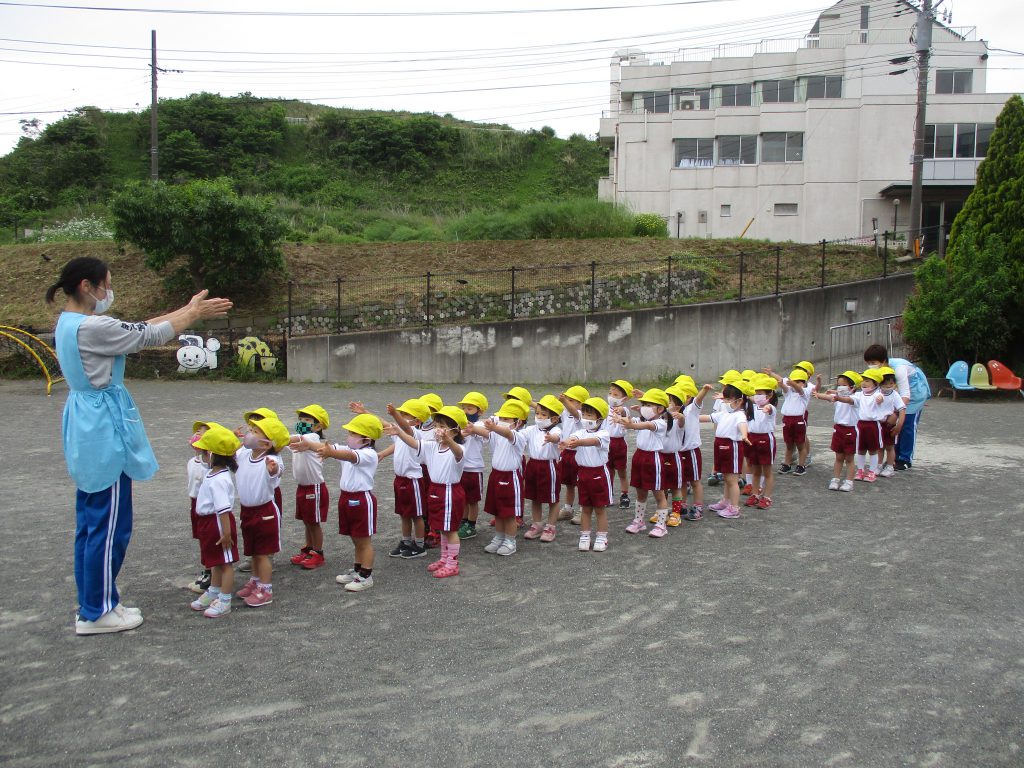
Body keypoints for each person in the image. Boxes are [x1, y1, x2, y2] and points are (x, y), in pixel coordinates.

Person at [48, 256, 231, 635]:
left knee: (91, 522)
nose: (108, 292)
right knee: (109, 524)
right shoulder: (92, 326)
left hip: (86, 423)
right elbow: (144, 335)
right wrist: (192, 316)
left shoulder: (70, 323)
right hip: (102, 429)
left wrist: (189, 309)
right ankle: (97, 611)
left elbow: (134, 328)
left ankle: (94, 603)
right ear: (87, 286)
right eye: (106, 284)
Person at [386, 406, 468, 579]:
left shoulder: (459, 448)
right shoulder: (432, 447)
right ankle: (444, 558)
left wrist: (450, 441)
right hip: (435, 490)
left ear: (456, 430)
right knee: (442, 529)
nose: (439, 430)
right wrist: (399, 433)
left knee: (450, 529)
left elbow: (458, 453)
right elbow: (415, 443)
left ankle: (452, 563)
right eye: (437, 425)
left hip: (449, 492)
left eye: (444, 426)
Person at [318, 413, 383, 593]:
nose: (349, 437)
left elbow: (348, 455)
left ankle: (366, 576)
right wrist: (306, 444)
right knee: (355, 538)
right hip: (346, 498)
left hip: (362, 500)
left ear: (366, 439)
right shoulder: (348, 450)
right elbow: (330, 447)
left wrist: (331, 452)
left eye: (353, 434)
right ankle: (357, 569)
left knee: (364, 541)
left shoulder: (368, 454)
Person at [234, 416, 289, 607]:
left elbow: (277, 469)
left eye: (255, 432)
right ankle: (255, 581)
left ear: (267, 443)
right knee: (253, 550)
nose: (250, 434)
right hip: (247, 510)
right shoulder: (243, 453)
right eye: (251, 430)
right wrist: (232, 441)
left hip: (265, 511)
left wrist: (272, 469)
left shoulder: (272, 459)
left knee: (263, 552)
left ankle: (265, 589)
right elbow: (229, 455)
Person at [188, 423, 241, 619]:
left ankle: (225, 599)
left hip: (218, 524)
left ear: (214, 454)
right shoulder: (212, 473)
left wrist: (226, 534)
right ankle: (214, 591)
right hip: (208, 523)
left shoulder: (220, 478)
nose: (202, 454)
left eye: (205, 451)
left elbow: (223, 510)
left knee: (225, 563)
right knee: (215, 561)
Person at [863, 344, 930, 470]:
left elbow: (905, 394)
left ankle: (905, 459)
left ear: (883, 361)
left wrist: (896, 413)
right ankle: (893, 458)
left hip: (914, 394)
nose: (871, 365)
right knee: (890, 427)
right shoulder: (877, 371)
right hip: (894, 394)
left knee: (907, 424)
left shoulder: (898, 369)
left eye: (873, 362)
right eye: (868, 363)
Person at [616, 388, 673, 537]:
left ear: (660, 409)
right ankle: (639, 521)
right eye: (644, 404)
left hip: (653, 459)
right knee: (640, 493)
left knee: (659, 494)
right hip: (639, 457)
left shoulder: (661, 423)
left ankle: (661, 525)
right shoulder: (642, 420)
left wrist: (630, 425)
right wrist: (621, 414)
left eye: (649, 405)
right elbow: (632, 420)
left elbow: (646, 426)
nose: (644, 408)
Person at [475, 400, 529, 557]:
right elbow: (487, 433)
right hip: (495, 475)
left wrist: (494, 427)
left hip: (510, 477)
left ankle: (510, 541)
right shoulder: (496, 434)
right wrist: (473, 429)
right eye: (502, 418)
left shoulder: (518, 437)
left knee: (509, 512)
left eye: (507, 419)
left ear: (518, 422)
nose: (503, 421)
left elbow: (507, 433)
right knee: (497, 511)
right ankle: (499, 537)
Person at [563, 397, 613, 552]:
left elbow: (593, 441)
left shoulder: (604, 433)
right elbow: (573, 437)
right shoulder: (580, 432)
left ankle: (602, 536)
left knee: (599, 508)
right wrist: (566, 442)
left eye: (589, 415)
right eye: (584, 414)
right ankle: (584, 535)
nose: (585, 418)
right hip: (583, 473)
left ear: (600, 418)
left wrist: (578, 443)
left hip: (598, 474)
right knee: (585, 507)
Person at [287, 405, 331, 570]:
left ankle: (318, 553)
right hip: (303, 487)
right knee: (307, 522)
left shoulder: (312, 437)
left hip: (315, 488)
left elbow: (290, 439)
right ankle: (309, 549)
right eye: (301, 419)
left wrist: (275, 434)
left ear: (318, 426)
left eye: (307, 420)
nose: (302, 422)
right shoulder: (300, 439)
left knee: (313, 523)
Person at [702, 381, 754, 519]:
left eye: (729, 399)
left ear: (739, 401)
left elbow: (743, 425)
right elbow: (709, 417)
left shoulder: (740, 414)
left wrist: (744, 435)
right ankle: (726, 501)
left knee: (732, 479)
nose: (725, 402)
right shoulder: (724, 412)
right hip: (720, 445)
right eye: (725, 399)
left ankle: (734, 507)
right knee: (726, 477)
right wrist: (690, 417)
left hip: (732, 447)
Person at [521, 395, 564, 543]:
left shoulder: (557, 430)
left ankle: (551, 526)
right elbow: (518, 435)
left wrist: (551, 438)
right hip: (532, 465)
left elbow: (557, 437)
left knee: (553, 498)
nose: (539, 417)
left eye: (543, 414)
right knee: (534, 497)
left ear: (554, 419)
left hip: (549, 466)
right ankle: (537, 524)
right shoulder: (531, 429)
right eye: (537, 413)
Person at [833, 369, 886, 483]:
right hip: (859, 425)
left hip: (872, 425)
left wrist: (880, 398)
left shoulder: (878, 394)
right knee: (860, 449)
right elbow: (847, 395)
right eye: (863, 380)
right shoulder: (858, 394)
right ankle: (860, 470)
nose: (864, 383)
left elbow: (881, 398)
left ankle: (872, 471)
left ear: (875, 383)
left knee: (873, 450)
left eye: (867, 381)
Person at [813, 370, 861, 492]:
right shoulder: (836, 398)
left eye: (843, 385)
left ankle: (849, 481)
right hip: (838, 429)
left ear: (852, 387)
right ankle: (835, 479)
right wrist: (818, 394)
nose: (840, 387)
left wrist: (838, 397)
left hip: (850, 430)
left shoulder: (856, 398)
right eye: (838, 385)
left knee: (849, 458)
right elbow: (829, 397)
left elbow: (847, 400)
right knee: (839, 457)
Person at [765, 367, 811, 476]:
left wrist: (792, 383)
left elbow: (799, 389)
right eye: (794, 381)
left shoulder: (804, 392)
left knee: (800, 445)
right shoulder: (789, 392)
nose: (795, 384)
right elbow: (784, 384)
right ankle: (787, 463)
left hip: (798, 420)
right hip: (787, 420)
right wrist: (774, 376)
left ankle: (801, 465)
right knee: (789, 444)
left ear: (804, 383)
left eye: (798, 382)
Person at [456, 391, 489, 540]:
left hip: (474, 468)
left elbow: (481, 433)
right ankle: (463, 521)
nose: (465, 411)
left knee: (473, 499)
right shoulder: (460, 424)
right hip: (461, 468)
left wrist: (469, 429)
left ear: (479, 411)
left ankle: (471, 524)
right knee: (463, 498)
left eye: (470, 409)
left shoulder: (479, 424)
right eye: (464, 408)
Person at [744, 374, 779, 510]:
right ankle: (755, 494)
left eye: (761, 394)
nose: (757, 396)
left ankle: (767, 497)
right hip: (753, 439)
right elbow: (748, 397)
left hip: (765, 439)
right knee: (756, 470)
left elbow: (769, 409)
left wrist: (767, 408)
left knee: (767, 471)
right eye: (756, 393)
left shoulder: (771, 407)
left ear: (769, 395)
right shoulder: (752, 407)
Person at [557, 385, 590, 524]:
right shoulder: (565, 413)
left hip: (578, 453)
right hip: (566, 453)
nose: (568, 402)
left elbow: (575, 413)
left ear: (581, 404)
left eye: (572, 400)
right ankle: (568, 509)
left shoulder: (581, 415)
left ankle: (583, 511)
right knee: (569, 483)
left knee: (581, 484)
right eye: (567, 399)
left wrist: (564, 401)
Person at [186, 422, 211, 594]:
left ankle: (210, 572)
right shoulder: (191, 462)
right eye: (196, 432)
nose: (197, 435)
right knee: (201, 539)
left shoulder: (208, 465)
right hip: (194, 504)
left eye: (202, 434)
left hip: (206, 505)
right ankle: (206, 569)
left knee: (208, 539)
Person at [606, 379, 634, 510]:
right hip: (605, 443)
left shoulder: (625, 410)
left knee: (621, 471)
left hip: (619, 444)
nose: (611, 396)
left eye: (616, 395)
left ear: (624, 399)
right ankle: (608, 494)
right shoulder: (604, 409)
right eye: (610, 393)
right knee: (608, 470)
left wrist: (621, 409)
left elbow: (624, 414)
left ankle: (624, 494)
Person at [876, 366, 907, 477]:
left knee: (889, 447)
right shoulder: (877, 393)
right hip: (879, 424)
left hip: (890, 425)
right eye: (885, 384)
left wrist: (899, 425)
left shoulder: (895, 395)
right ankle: (878, 465)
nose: (888, 386)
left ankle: (890, 466)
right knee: (879, 447)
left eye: (891, 384)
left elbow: (902, 409)